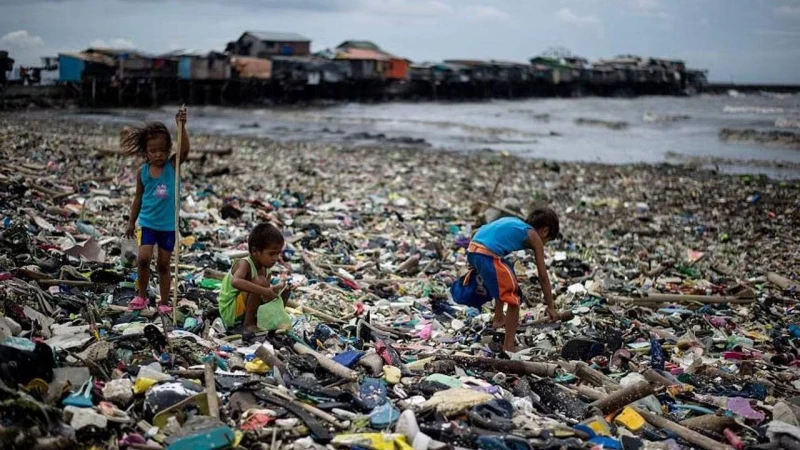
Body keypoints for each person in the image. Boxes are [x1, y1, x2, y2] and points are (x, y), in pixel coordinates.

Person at [451, 207, 570, 352]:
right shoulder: (534, 236)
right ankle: (509, 346)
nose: (544, 244)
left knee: (507, 275)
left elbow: (480, 231)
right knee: (514, 297)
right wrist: (551, 307)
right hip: (488, 254)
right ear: (545, 231)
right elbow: (543, 276)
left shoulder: (515, 223)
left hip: (473, 249)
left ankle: (499, 318)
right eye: (547, 240)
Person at [123, 107, 189, 313]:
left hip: (168, 225)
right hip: (148, 222)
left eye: (162, 150)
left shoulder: (173, 166)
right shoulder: (143, 172)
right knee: (143, 259)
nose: (158, 155)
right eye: (153, 151)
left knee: (163, 265)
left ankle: (164, 302)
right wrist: (131, 222)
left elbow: (185, 150)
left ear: (169, 148)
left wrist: (182, 126)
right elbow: (138, 198)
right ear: (146, 152)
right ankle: (141, 296)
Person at [218, 223, 294, 332]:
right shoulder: (244, 264)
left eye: (278, 254)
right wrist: (266, 291)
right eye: (271, 254)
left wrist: (279, 289)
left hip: (244, 310)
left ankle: (263, 320)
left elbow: (264, 296)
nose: (275, 258)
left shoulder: (266, 269)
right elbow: (236, 281)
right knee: (260, 282)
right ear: (255, 251)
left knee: (284, 290)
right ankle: (248, 325)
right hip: (231, 311)